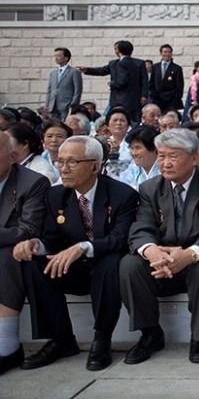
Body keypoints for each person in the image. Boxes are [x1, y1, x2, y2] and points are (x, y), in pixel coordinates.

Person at [19, 136, 139, 372]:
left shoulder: (122, 195)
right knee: (33, 263)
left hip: (105, 265)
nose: (63, 168)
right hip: (72, 267)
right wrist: (36, 244)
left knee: (111, 262)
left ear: (95, 165)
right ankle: (61, 339)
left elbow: (120, 239)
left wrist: (84, 247)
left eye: (72, 162)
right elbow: (51, 238)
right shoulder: (55, 196)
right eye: (60, 162)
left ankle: (102, 338)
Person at [119, 129, 199, 365]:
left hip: (198, 256)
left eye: (173, 156)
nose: (165, 163)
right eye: (161, 156)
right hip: (163, 256)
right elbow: (142, 226)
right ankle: (150, 333)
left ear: (193, 158)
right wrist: (151, 251)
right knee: (130, 264)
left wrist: (190, 254)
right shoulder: (151, 188)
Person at [0, 132, 50, 376]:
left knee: (11, 255)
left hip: (16, 251)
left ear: (13, 156)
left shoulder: (33, 182)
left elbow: (27, 230)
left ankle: (6, 346)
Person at [45, 47, 82, 121]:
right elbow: (49, 90)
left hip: (66, 105)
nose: (56, 58)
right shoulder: (53, 73)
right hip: (53, 105)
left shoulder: (73, 72)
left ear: (66, 58)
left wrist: (73, 105)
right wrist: (47, 104)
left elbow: (78, 90)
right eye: (55, 56)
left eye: (58, 56)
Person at [119, 125, 160, 190]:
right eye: (131, 148)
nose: (134, 153)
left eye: (138, 148)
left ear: (153, 148)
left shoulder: (164, 169)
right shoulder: (131, 170)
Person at [149, 44, 184, 112]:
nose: (167, 54)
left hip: (171, 101)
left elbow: (179, 86)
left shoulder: (176, 68)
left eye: (169, 52)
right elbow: (151, 83)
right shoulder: (155, 67)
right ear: (161, 53)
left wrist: (175, 98)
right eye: (165, 52)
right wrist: (153, 95)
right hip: (157, 100)